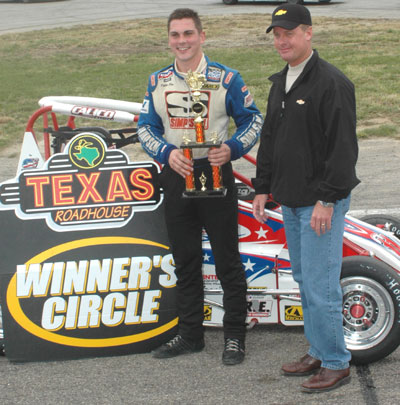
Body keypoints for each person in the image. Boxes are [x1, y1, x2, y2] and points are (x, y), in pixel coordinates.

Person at [137, 8, 262, 365]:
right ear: (168, 39)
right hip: (177, 172)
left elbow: (253, 120)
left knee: (227, 261)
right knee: (185, 261)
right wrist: (166, 153)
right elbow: (145, 127)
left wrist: (232, 148)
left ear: (202, 36)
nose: (182, 41)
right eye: (175, 35)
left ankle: (234, 337)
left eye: (188, 33)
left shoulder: (227, 79)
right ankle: (191, 335)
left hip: (215, 172)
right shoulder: (157, 81)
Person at [252, 4, 360, 392]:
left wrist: (327, 200)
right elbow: (270, 139)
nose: (282, 41)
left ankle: (336, 362)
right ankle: (318, 349)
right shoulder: (281, 81)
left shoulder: (332, 83)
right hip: (292, 200)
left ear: (308, 33)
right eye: (277, 35)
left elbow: (343, 149)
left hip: (319, 204)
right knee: (304, 280)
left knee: (320, 285)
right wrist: (262, 186)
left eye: (290, 33)